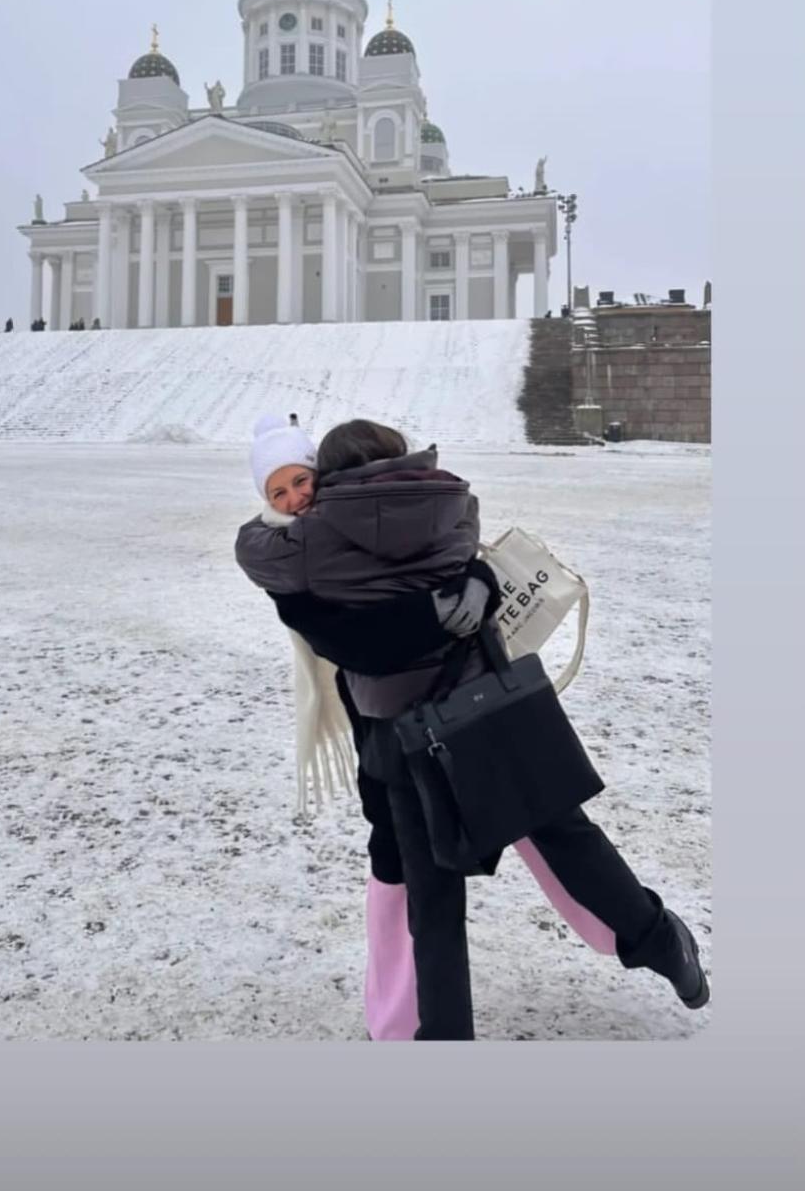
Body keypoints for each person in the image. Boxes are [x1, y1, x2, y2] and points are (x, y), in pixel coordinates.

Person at [236, 418, 709, 1040]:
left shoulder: (308, 550)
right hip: (490, 703)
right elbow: (465, 564)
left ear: (329, 479)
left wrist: (437, 606)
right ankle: (660, 940)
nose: (295, 499)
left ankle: (434, 1037)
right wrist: (472, 587)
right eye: (280, 492)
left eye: (301, 482)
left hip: (406, 732)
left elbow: (335, 628)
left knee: (431, 892)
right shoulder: (450, 499)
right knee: (561, 834)